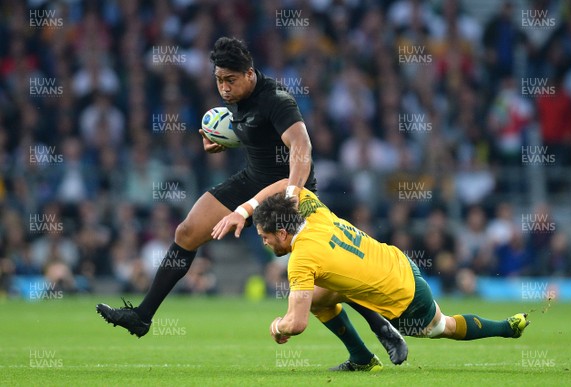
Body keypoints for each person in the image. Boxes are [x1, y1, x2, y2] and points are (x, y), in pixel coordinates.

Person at [96, 37, 406, 370]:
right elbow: (255, 135)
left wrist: (292, 196)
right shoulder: (236, 99)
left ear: (249, 73)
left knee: (324, 276)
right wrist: (220, 143)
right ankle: (142, 316)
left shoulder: (277, 100)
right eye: (218, 80)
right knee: (187, 232)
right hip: (251, 180)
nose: (224, 88)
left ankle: (380, 328)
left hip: (290, 188)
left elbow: (301, 148)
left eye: (230, 80)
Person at [212, 179, 530, 367]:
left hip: (404, 301)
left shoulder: (301, 260)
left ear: (282, 232)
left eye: (265, 237)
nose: (266, 243)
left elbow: (297, 323)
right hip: (399, 261)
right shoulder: (313, 210)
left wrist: (277, 326)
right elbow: (288, 184)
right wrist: (247, 209)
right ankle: (362, 359)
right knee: (323, 298)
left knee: (442, 327)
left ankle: (506, 327)